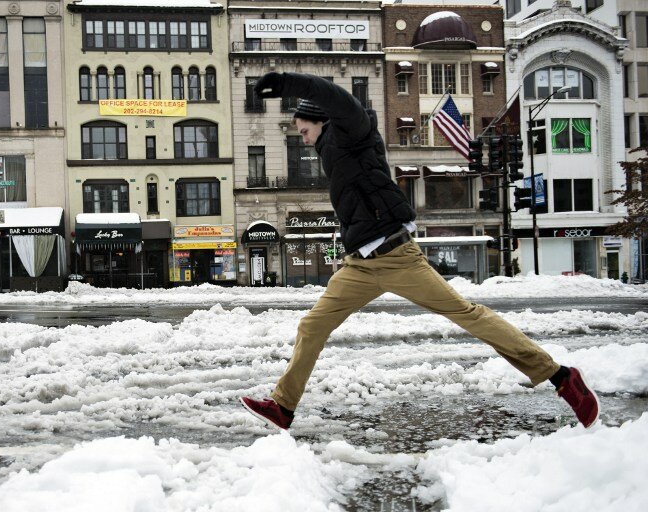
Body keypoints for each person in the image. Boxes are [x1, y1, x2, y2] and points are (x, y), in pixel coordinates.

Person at [240, 72, 599, 431]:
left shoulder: (353, 132)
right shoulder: (331, 150)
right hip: (360, 265)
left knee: (467, 314)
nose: (302, 138)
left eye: (304, 130)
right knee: (312, 325)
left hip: (397, 257)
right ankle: (283, 407)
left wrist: (288, 84)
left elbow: (340, 99)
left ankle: (562, 377)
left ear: (321, 119)